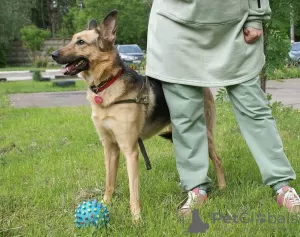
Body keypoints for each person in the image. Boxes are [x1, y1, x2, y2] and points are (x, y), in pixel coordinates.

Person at [146, 0, 300, 215]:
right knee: (185, 115)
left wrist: (256, 16)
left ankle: (281, 184)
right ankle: (196, 187)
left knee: (254, 109)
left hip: (234, 24)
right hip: (174, 25)